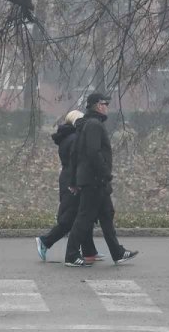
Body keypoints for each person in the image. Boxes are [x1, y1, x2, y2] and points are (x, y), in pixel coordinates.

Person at [64, 92, 139, 267]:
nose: (107, 106)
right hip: (95, 180)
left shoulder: (85, 125)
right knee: (84, 217)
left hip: (93, 179)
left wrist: (74, 181)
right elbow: (93, 153)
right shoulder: (94, 125)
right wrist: (105, 172)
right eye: (105, 103)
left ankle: (117, 253)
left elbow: (75, 153)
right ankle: (71, 255)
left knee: (106, 214)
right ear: (98, 105)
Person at [35, 110, 103, 263]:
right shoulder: (74, 138)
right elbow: (77, 161)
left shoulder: (68, 137)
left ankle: (89, 251)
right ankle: (45, 241)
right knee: (72, 217)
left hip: (69, 178)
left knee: (82, 215)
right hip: (73, 181)